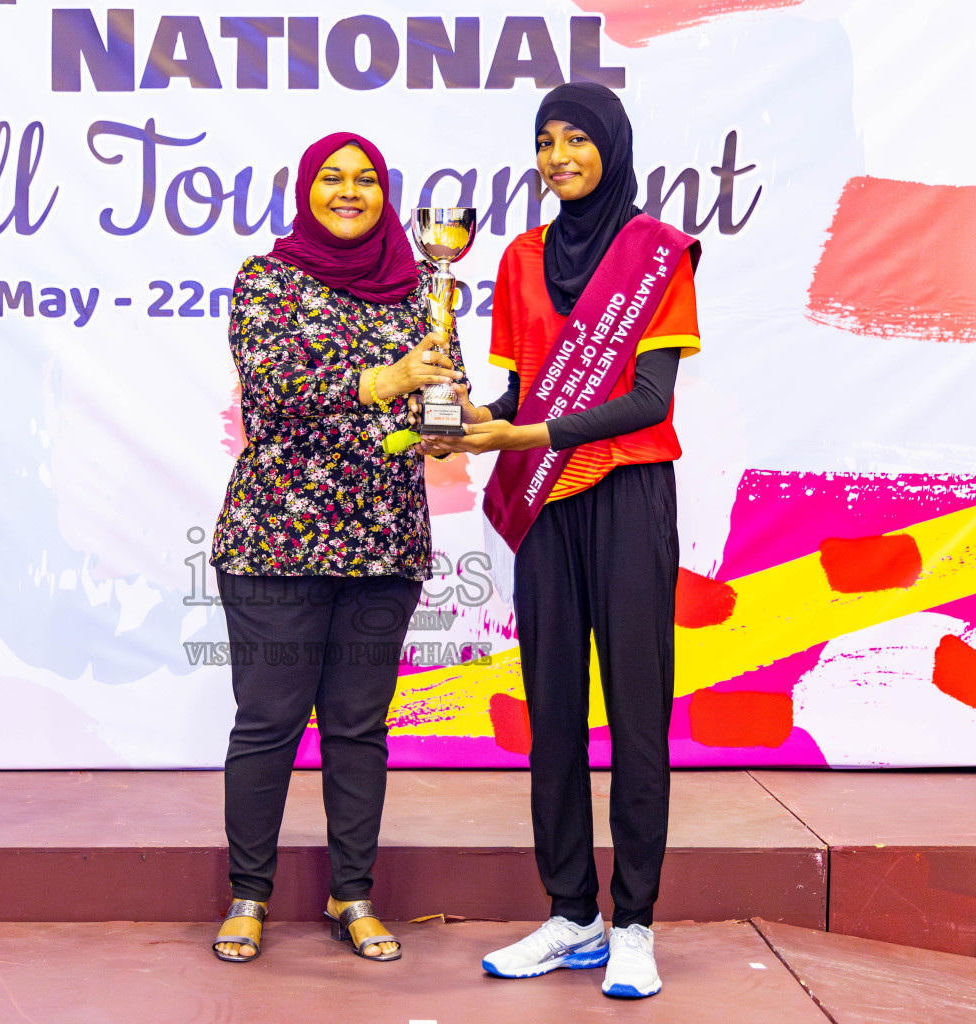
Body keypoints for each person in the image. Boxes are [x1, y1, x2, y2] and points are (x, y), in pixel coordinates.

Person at [422, 83, 701, 998]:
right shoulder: (518, 256)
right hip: (546, 506)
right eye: (545, 141)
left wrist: (523, 437)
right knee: (551, 714)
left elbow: (649, 402)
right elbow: (517, 398)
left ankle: (636, 925)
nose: (558, 156)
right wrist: (470, 419)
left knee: (635, 712)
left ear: (612, 147)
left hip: (626, 497)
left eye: (577, 138)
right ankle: (572, 912)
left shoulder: (657, 255)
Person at [209, 131, 465, 963]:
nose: (348, 192)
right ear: (305, 189)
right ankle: (249, 894)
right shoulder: (267, 278)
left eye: (364, 180)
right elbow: (273, 392)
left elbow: (435, 393)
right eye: (331, 177)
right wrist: (379, 384)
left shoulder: (422, 285)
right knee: (269, 724)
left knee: (358, 730)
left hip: (383, 540)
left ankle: (352, 894)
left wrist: (442, 419)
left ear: (386, 193)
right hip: (277, 539)